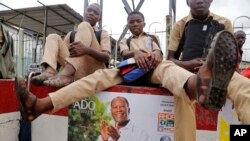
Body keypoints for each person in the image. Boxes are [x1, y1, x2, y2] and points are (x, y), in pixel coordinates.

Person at [15, 11, 238, 141]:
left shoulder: (151, 36)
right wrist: (137, 53)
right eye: (131, 23)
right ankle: (41, 105)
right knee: (97, 77)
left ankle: (196, 85)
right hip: (128, 69)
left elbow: (160, 53)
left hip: (153, 69)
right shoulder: (126, 41)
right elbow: (122, 54)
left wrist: (152, 55)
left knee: (168, 69)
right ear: (129, 26)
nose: (135, 25)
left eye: (138, 22)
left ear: (143, 23)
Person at [167, 0, 250, 140]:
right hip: (187, 73)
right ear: (187, 2)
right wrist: (189, 64)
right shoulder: (180, 25)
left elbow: (229, 57)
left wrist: (212, 66)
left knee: (245, 87)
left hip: (219, 73)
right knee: (181, 92)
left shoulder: (225, 23)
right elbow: (170, 59)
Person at [30, 3, 111, 87]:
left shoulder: (102, 33)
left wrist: (87, 50)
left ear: (99, 18)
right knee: (52, 37)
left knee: (84, 25)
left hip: (94, 72)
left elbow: (107, 57)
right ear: (84, 12)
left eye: (95, 12)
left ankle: (67, 73)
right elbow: (60, 55)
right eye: (89, 10)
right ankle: (49, 72)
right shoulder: (71, 34)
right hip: (77, 71)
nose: (91, 13)